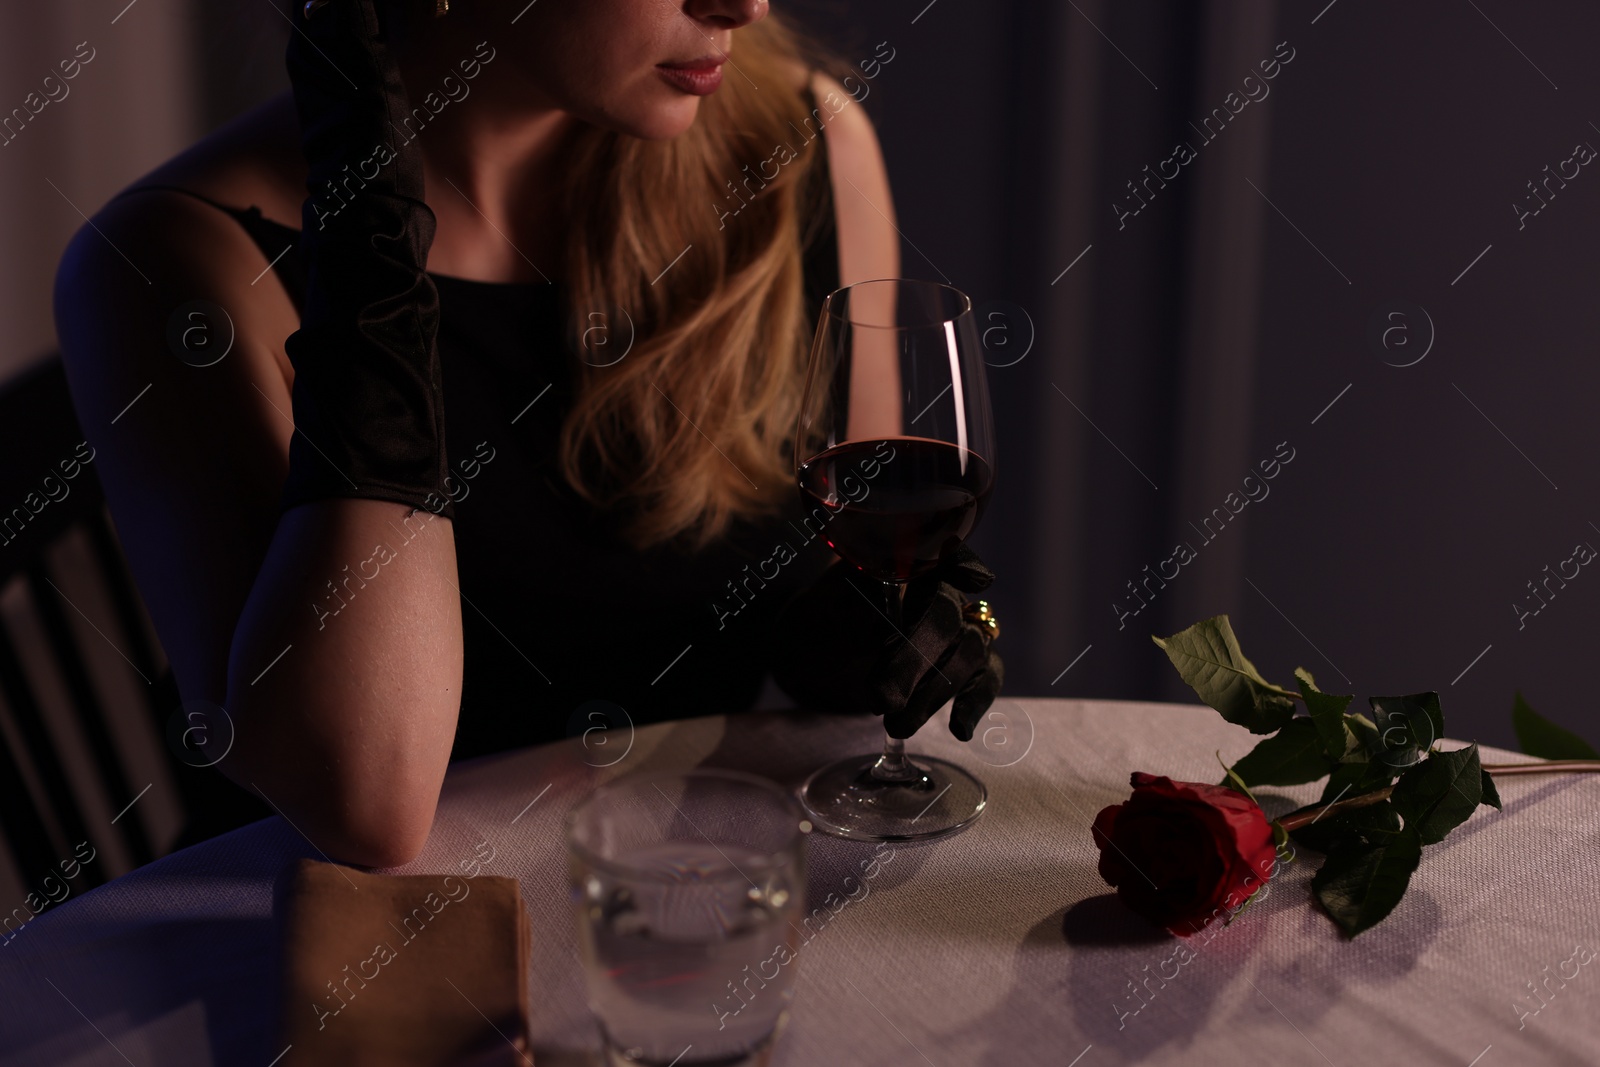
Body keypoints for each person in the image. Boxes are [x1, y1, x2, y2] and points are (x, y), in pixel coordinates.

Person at [52, 0, 1000, 868]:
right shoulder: (169, 263)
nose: (742, 5)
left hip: (669, 894)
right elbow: (363, 805)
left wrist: (855, 635)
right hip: (334, 971)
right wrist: (371, 239)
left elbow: (842, 560)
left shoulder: (799, 149)